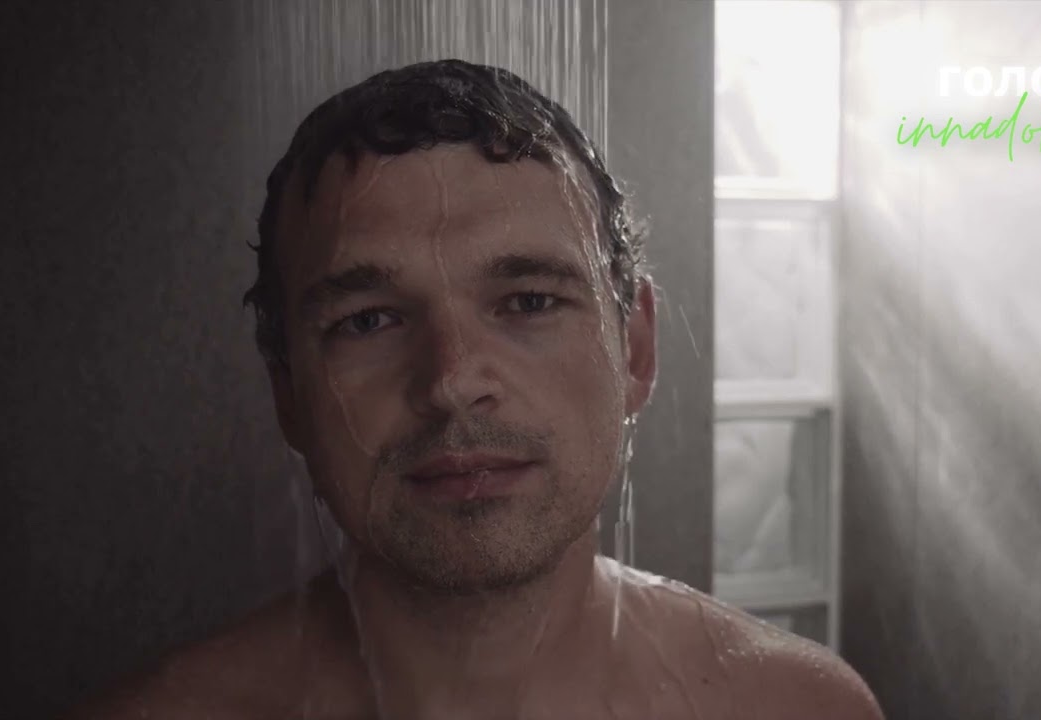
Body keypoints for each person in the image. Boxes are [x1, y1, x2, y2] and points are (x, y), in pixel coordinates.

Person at [71, 59, 883, 720]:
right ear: (288, 391)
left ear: (634, 348)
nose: (453, 381)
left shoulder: (797, 708)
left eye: (528, 302)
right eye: (368, 320)